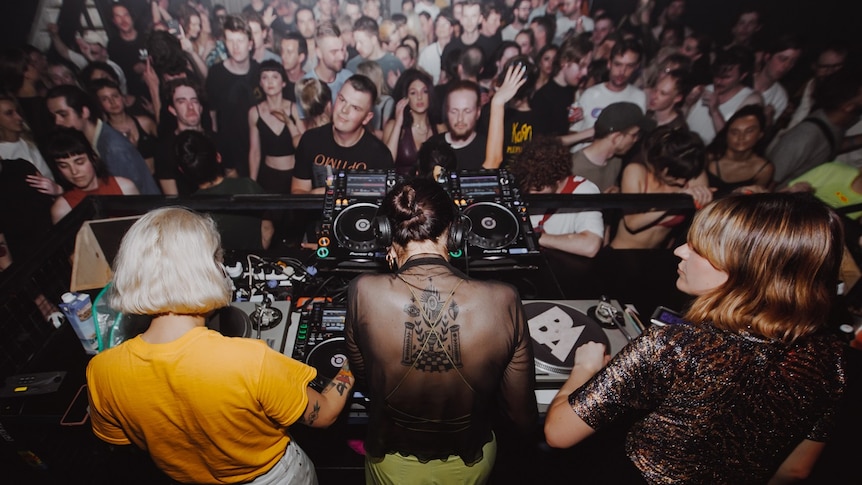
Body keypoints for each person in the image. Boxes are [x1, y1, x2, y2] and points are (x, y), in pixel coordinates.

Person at [546, 192, 845, 484]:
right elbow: (796, 471)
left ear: (743, 272)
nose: (680, 251)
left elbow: (558, 433)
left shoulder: (673, 346)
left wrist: (585, 368)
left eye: (700, 249)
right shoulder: (832, 357)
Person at [86, 205, 356, 485]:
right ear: (207, 270)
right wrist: (351, 363)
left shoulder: (102, 370)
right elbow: (324, 414)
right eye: (218, 258)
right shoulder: (249, 361)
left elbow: (124, 441)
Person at [345, 177, 538, 484]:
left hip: (394, 463)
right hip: (469, 460)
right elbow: (521, 417)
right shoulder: (504, 299)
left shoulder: (363, 291)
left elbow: (367, 379)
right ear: (456, 232)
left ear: (385, 235)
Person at [610, 126, 712, 249]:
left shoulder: (691, 171)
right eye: (676, 176)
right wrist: (675, 201)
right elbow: (632, 223)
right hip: (622, 252)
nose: (683, 181)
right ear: (661, 167)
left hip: (657, 256)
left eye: (686, 176)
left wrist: (705, 203)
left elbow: (705, 220)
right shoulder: (636, 172)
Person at [45, 84, 160, 194]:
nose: (57, 122)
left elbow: (128, 195)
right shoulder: (95, 140)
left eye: (63, 115)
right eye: (53, 116)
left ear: (84, 112)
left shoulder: (112, 148)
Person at [291, 74, 393, 194]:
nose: (344, 110)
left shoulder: (379, 156)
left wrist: (332, 192)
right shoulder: (310, 140)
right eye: (342, 99)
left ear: (366, 118)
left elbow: (380, 207)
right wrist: (317, 196)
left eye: (355, 107)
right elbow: (298, 191)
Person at [511, 136, 603, 257]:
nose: (531, 192)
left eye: (538, 187)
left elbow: (590, 246)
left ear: (558, 179)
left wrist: (533, 237)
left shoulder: (584, 190)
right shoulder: (526, 186)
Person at [44, 127, 139, 223]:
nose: (74, 171)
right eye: (64, 166)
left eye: (79, 162)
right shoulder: (62, 209)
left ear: (93, 158)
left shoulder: (124, 187)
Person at [205, 15, 260, 178]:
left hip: (259, 153)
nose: (235, 47)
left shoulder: (260, 72)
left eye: (240, 41)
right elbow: (213, 119)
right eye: (230, 41)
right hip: (230, 155)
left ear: (250, 44)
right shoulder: (216, 74)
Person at [685, 46, 763, 146]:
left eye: (726, 77)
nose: (718, 81)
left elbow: (733, 141)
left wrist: (714, 111)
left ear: (742, 76)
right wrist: (687, 105)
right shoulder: (707, 89)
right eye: (717, 75)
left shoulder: (751, 100)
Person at [248, 60, 302, 192]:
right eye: (265, 77)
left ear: (283, 82)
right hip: (268, 176)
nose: (270, 82)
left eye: (275, 77)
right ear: (260, 83)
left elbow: (304, 146)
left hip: (295, 176)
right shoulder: (255, 112)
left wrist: (288, 122)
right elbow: (255, 152)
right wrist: (251, 185)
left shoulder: (294, 108)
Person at [90, 79, 158, 174]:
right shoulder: (105, 135)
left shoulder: (145, 122)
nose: (112, 102)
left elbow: (166, 144)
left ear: (122, 97)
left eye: (115, 96)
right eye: (105, 99)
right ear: (99, 104)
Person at [706, 105, 773, 198]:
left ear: (760, 134)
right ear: (727, 134)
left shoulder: (763, 169)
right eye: (735, 132)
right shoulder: (710, 156)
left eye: (749, 131)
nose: (741, 137)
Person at [154, 78, 207, 195]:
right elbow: (172, 199)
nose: (190, 107)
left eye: (194, 101)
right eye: (181, 102)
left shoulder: (217, 140)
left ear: (201, 107)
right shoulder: (165, 150)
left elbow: (232, 181)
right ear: (173, 110)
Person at [384, 69, 437, 176]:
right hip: (400, 189)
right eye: (413, 93)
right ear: (406, 98)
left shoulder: (440, 129)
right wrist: (398, 123)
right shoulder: (394, 126)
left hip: (430, 190)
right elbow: (386, 164)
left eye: (424, 91)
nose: (419, 97)